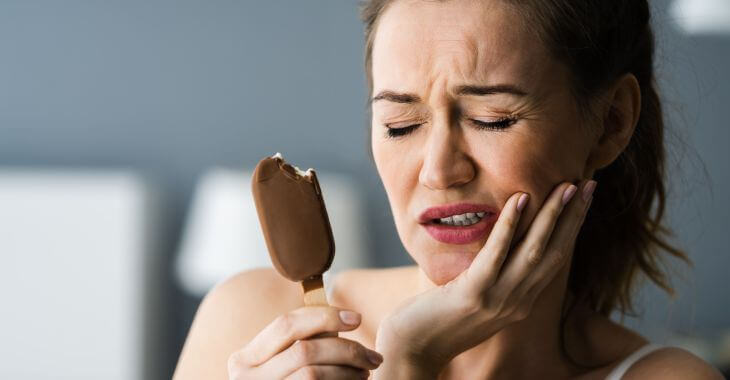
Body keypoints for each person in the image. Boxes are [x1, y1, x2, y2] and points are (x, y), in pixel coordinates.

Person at [173, 0, 724, 379]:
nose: (439, 170)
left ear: (609, 124)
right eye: (401, 125)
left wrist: (410, 357)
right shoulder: (251, 322)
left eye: (493, 118)